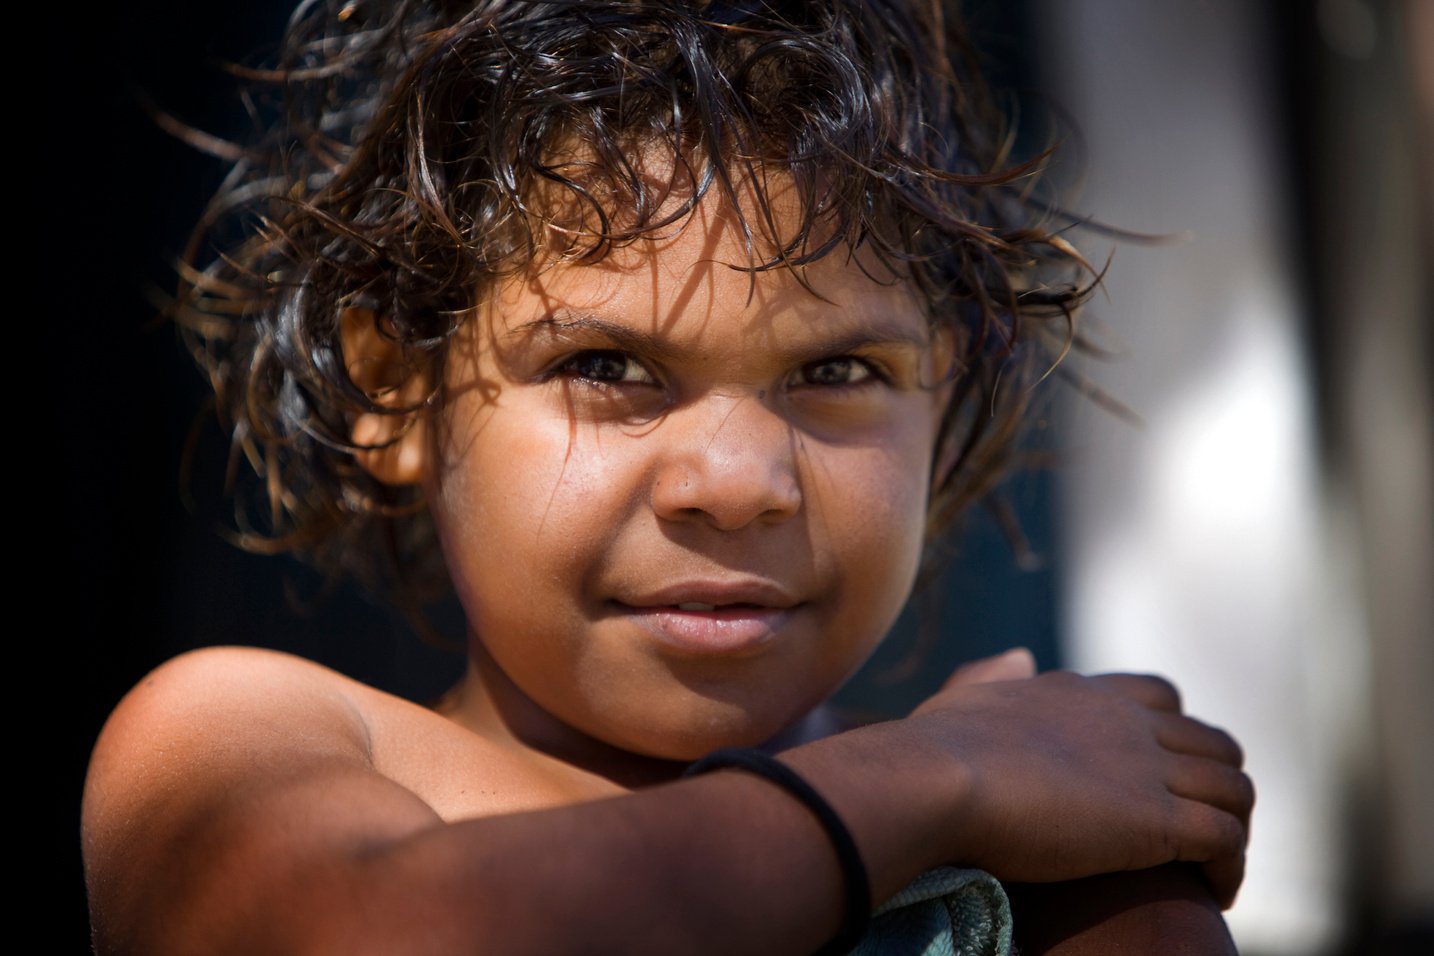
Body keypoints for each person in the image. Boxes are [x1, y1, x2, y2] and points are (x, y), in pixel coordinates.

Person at [82, 2, 1253, 953]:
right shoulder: (246, 737)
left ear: (945, 412)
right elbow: (378, 929)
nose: (738, 481)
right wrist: (929, 773)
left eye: (838, 367)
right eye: (607, 364)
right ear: (394, 387)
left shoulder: (1032, 859)